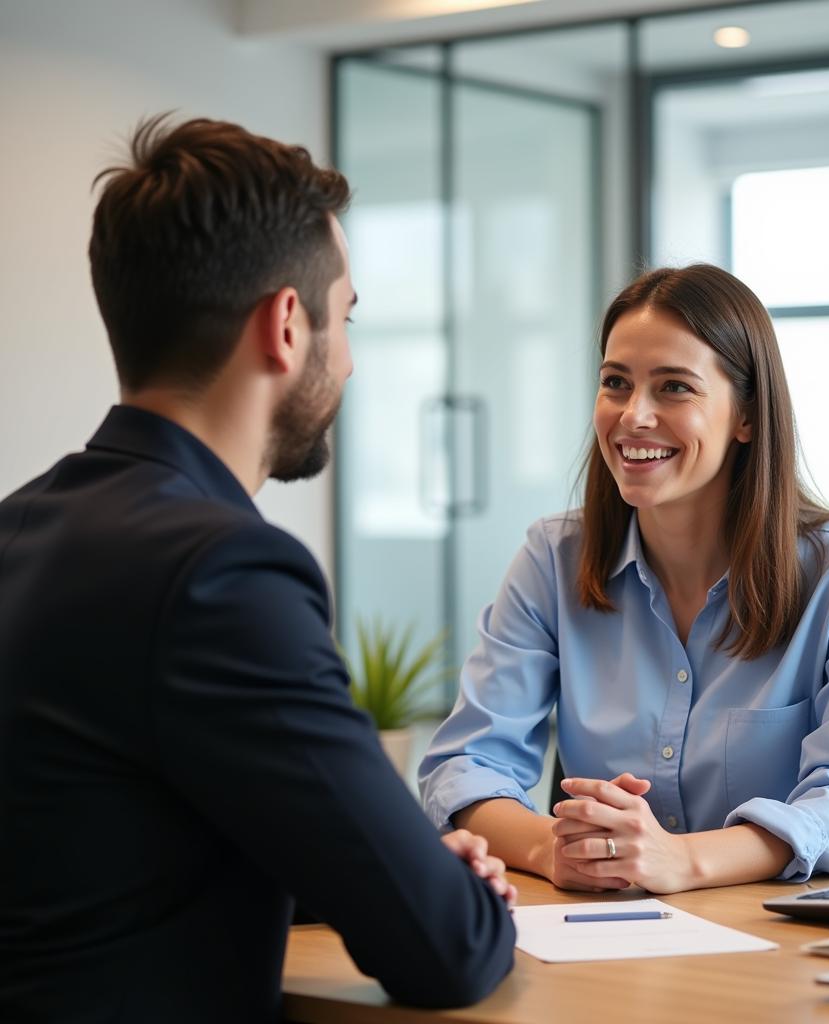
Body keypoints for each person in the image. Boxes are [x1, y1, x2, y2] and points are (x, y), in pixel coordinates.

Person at [0, 115, 515, 1024]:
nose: (349, 361)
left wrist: (397, 864)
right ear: (286, 325)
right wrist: (454, 896)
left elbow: (113, 836)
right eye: (344, 318)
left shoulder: (24, 527)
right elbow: (447, 953)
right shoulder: (221, 572)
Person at [420, 264, 829, 895]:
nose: (634, 416)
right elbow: (466, 765)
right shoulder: (553, 558)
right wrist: (554, 850)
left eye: (675, 388)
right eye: (615, 383)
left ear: (746, 415)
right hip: (618, 933)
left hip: (804, 935)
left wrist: (677, 859)